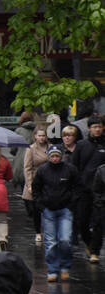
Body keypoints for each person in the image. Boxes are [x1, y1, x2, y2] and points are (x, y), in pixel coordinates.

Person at [32, 143, 79, 283]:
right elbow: (36, 188)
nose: (55, 159)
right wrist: (40, 205)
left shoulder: (70, 170)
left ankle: (65, 267)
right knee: (51, 242)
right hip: (48, 210)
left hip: (65, 209)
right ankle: (52, 269)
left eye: (57, 156)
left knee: (65, 240)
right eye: (52, 156)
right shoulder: (42, 171)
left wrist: (72, 203)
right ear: (48, 157)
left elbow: (78, 186)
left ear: (61, 156)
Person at [72, 117, 105, 261]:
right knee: (82, 221)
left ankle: (95, 251)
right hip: (84, 189)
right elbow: (75, 166)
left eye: (99, 126)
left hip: (101, 190)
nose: (97, 129)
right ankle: (90, 243)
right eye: (94, 127)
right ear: (89, 128)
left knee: (98, 221)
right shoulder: (81, 145)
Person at [22, 125, 50, 245]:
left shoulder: (51, 147)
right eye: (39, 135)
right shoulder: (31, 149)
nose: (42, 138)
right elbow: (27, 168)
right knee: (36, 210)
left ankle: (48, 231)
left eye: (43, 135)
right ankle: (38, 232)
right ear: (35, 136)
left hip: (49, 181)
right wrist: (29, 184)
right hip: (35, 181)